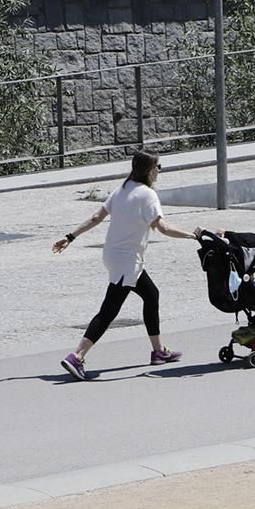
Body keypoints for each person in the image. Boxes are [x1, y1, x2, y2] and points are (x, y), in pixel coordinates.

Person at [52, 150, 204, 380]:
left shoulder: (121, 190)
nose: (159, 171)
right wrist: (193, 236)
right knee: (109, 311)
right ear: (149, 169)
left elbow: (96, 218)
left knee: (151, 295)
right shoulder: (147, 195)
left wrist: (70, 237)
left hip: (113, 255)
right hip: (127, 261)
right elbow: (162, 228)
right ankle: (77, 355)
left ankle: (159, 351)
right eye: (158, 167)